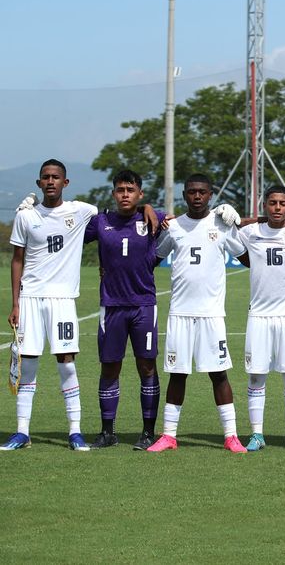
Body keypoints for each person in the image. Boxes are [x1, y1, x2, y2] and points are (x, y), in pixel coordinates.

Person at [2, 159, 99, 451]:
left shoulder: (80, 211)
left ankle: (75, 431)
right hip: (30, 298)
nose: (51, 181)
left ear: (65, 183)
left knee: (66, 366)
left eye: (56, 177)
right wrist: (15, 303)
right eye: (46, 177)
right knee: (27, 365)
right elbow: (17, 259)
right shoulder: (26, 216)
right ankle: (22, 432)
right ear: (39, 183)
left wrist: (149, 209)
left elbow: (116, 213)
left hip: (62, 301)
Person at [147, 173, 247, 453]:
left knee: (219, 373)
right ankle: (168, 435)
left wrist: (238, 221)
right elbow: (152, 259)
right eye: (192, 192)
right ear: (184, 195)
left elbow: (248, 258)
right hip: (179, 313)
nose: (197, 196)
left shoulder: (221, 225)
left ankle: (231, 436)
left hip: (212, 315)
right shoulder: (174, 226)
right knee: (177, 374)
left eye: (202, 192)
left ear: (210, 194)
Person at [84, 169, 164, 450]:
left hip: (143, 305)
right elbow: (67, 236)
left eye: (131, 190)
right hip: (112, 307)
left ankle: (147, 432)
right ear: (114, 193)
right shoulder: (101, 221)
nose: (125, 195)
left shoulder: (154, 217)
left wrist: (150, 208)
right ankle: (108, 432)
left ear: (140, 194)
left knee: (147, 367)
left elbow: (190, 221)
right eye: (120, 190)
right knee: (110, 368)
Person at [236, 185, 285, 452]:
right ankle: (257, 434)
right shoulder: (250, 232)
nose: (277, 208)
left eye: (282, 203)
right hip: (259, 316)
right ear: (264, 205)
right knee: (256, 377)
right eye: (272, 203)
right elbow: (224, 232)